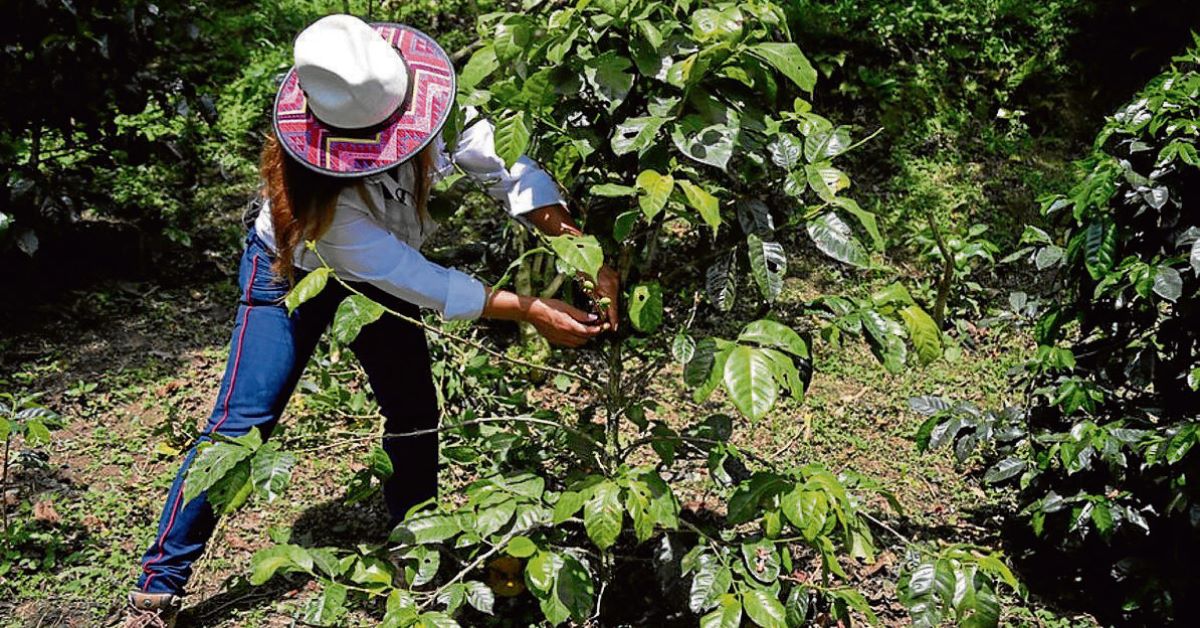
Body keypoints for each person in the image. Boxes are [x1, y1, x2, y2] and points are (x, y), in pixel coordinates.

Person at [122, 14, 619, 627]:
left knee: (412, 410)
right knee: (242, 425)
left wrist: (579, 250)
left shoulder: (434, 105)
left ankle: (418, 546)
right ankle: (158, 585)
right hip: (287, 272)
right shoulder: (321, 201)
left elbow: (505, 169)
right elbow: (412, 278)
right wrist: (530, 309)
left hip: (380, 272)